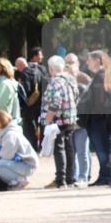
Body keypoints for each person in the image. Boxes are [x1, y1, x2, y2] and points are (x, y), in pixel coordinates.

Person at [42, 55, 80, 189]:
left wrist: (48, 120)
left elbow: (55, 103)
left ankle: (61, 179)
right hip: (70, 118)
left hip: (58, 120)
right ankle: (70, 178)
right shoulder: (70, 80)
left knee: (59, 148)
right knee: (69, 148)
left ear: (51, 68)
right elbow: (76, 97)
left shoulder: (54, 82)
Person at [79, 51, 111, 186]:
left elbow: (100, 101)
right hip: (98, 119)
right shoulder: (99, 76)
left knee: (102, 149)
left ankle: (106, 176)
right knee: (101, 149)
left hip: (100, 120)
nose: (87, 63)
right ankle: (104, 175)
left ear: (98, 60)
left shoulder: (102, 76)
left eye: (89, 60)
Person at [0, 110, 39, 190]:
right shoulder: (6, 133)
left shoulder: (10, 135)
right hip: (23, 164)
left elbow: (6, 156)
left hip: (28, 165)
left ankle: (19, 180)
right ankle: (16, 180)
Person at [66, 53, 92, 186]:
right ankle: (75, 176)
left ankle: (85, 176)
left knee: (82, 150)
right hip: (69, 122)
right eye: (67, 62)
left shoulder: (85, 79)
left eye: (72, 62)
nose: (69, 65)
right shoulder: (63, 80)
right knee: (73, 150)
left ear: (77, 64)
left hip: (81, 121)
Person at [17, 47, 47, 150]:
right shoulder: (42, 69)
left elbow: (25, 89)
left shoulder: (26, 72)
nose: (42, 56)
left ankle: (32, 147)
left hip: (30, 104)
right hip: (41, 102)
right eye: (40, 54)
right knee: (41, 125)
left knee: (30, 127)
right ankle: (43, 146)